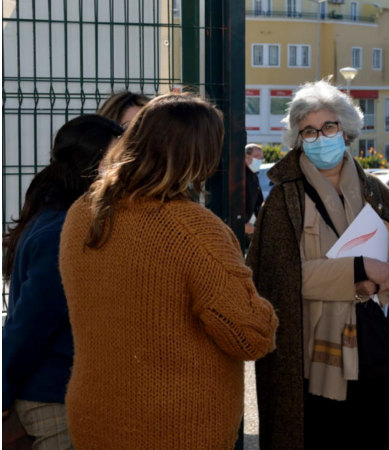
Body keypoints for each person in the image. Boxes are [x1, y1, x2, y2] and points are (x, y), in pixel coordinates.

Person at [58, 94, 279, 448]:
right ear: (202, 154)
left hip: (94, 414)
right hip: (175, 426)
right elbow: (251, 335)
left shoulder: (83, 213)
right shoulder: (193, 228)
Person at [248, 80, 389, 450]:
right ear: (299, 139)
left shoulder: (376, 191)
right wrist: (359, 270)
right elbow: (280, 279)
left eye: (329, 127)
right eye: (309, 130)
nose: (320, 137)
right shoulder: (284, 200)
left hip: (376, 351)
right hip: (313, 361)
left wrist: (379, 280)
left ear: (346, 131)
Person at [2, 114, 123, 449]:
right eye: (116, 161)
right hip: (52, 398)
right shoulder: (61, 231)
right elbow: (28, 325)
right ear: (92, 166)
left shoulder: (55, 218)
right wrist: (4, 390)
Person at [244, 143, 264, 238]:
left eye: (261, 158)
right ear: (246, 156)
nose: (259, 160)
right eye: (256, 156)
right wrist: (242, 224)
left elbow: (258, 203)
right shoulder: (239, 175)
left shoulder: (254, 176)